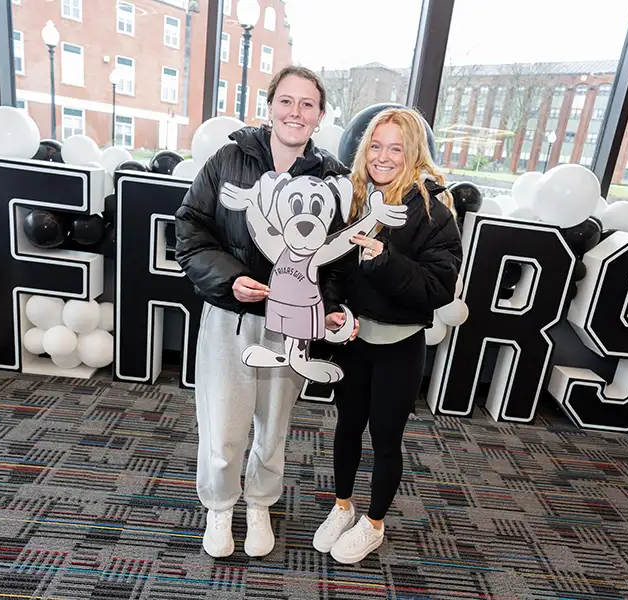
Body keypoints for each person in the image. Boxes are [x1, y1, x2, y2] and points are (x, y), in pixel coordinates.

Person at [175, 65, 357, 559]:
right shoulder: (229, 160)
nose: (295, 112)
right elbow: (190, 231)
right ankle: (219, 506)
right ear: (270, 105)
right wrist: (230, 278)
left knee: (273, 426)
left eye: (307, 104)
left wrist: (332, 309)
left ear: (319, 117)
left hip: (293, 324)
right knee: (223, 425)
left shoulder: (333, 179)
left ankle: (259, 503)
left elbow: (341, 258)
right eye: (286, 101)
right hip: (231, 317)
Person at [311, 108, 463, 564]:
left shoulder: (435, 208)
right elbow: (330, 268)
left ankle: (374, 524)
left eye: (396, 147)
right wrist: (334, 309)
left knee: (386, 438)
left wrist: (382, 257)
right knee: (346, 427)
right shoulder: (352, 197)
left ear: (413, 152)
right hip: (352, 340)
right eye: (376, 146)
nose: (384, 156)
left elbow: (438, 288)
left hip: (400, 344)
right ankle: (343, 507)